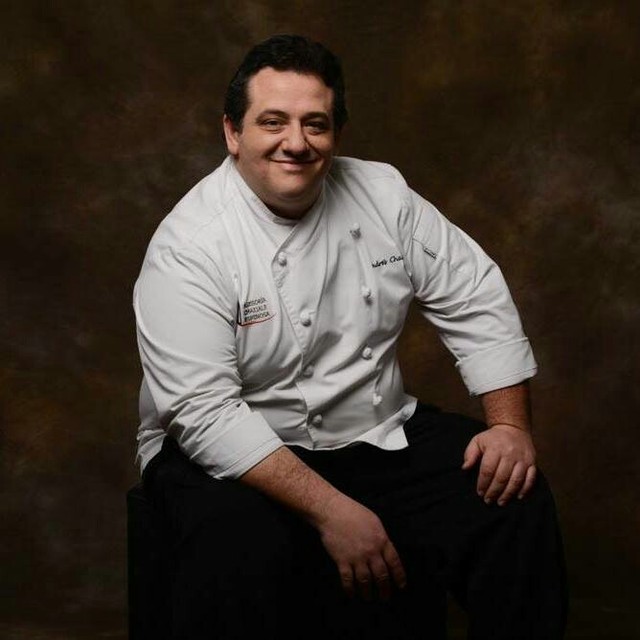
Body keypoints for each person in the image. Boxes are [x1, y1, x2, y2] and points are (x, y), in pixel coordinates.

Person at [133, 34, 567, 639]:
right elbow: (204, 412)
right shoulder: (191, 245)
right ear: (233, 132)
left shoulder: (383, 194)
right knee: (238, 541)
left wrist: (510, 427)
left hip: (372, 429)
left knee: (513, 497)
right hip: (229, 451)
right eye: (273, 122)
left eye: (315, 124)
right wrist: (333, 511)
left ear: (336, 133)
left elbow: (472, 292)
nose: (296, 142)